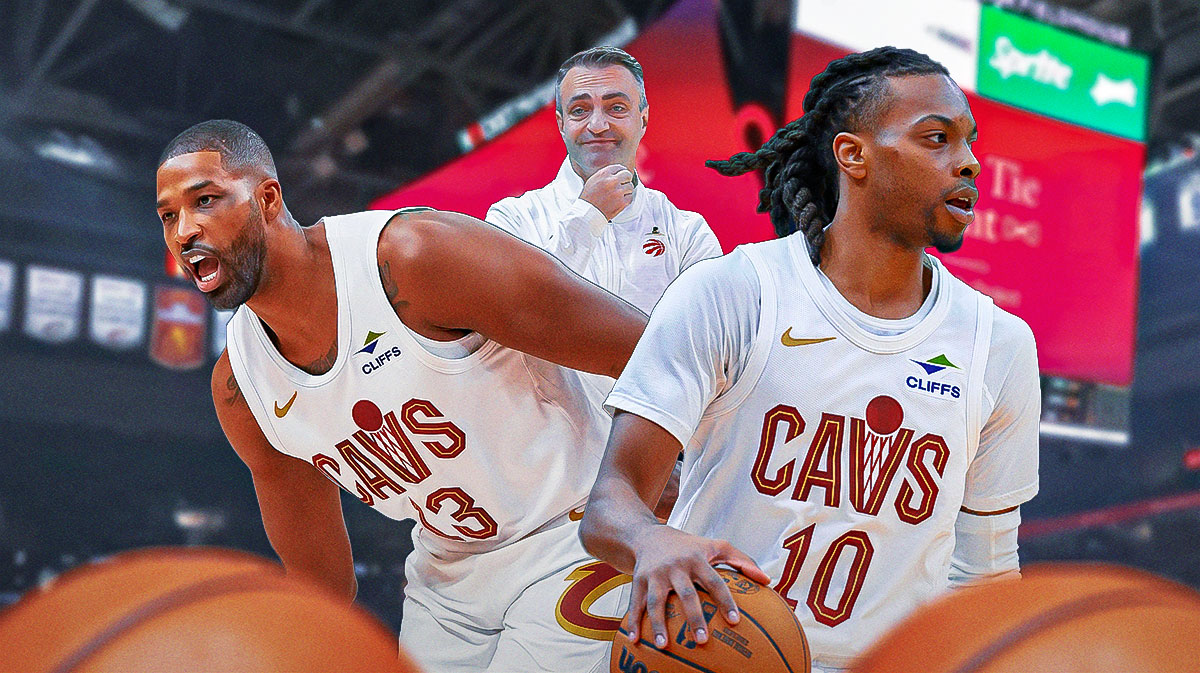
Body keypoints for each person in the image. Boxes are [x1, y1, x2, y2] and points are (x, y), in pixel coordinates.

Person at [579, 47, 1040, 673]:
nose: (968, 161)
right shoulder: (732, 294)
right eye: (937, 138)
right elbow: (611, 499)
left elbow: (986, 571)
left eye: (969, 142)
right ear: (853, 156)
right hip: (715, 650)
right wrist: (649, 537)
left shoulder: (1001, 345)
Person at [155, 119, 648, 672]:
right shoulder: (240, 388)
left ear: (267, 199)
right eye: (169, 215)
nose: (184, 231)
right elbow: (320, 579)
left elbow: (646, 349)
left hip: (573, 531)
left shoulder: (412, 258)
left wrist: (647, 487)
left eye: (205, 201)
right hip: (447, 573)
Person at [486, 46, 722, 317]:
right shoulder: (513, 220)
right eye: (579, 110)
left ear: (643, 119)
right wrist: (588, 216)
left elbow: (711, 339)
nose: (597, 125)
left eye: (616, 108)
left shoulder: (687, 234)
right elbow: (509, 318)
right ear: (561, 124)